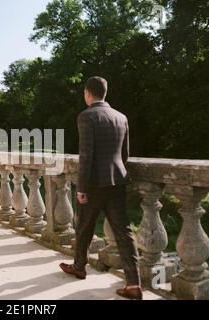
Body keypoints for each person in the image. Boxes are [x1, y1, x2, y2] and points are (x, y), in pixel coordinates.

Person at [59, 76, 142, 300]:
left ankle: (79, 266)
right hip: (117, 181)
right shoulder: (121, 117)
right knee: (124, 234)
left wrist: (82, 187)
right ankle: (134, 284)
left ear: (88, 93)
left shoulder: (86, 116)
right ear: (104, 93)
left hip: (94, 184)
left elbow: (86, 155)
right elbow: (125, 155)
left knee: (84, 226)